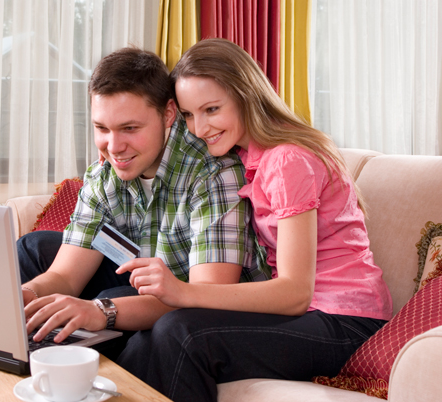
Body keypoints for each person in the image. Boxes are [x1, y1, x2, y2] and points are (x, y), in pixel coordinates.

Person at [116, 38, 393, 402]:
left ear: (246, 94)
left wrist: (183, 292)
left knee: (181, 331)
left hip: (346, 322)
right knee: (150, 333)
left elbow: (295, 293)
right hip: (313, 314)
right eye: (188, 115)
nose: (199, 128)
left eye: (212, 109)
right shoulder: (249, 157)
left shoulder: (287, 160)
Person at [17, 47, 265, 358]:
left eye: (130, 128)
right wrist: (25, 296)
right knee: (32, 248)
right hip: (143, 279)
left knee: (117, 298)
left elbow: (205, 296)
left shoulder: (213, 173)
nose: (114, 147)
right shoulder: (105, 172)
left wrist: (100, 310)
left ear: (168, 114)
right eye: (102, 128)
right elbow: (66, 276)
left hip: (197, 302)